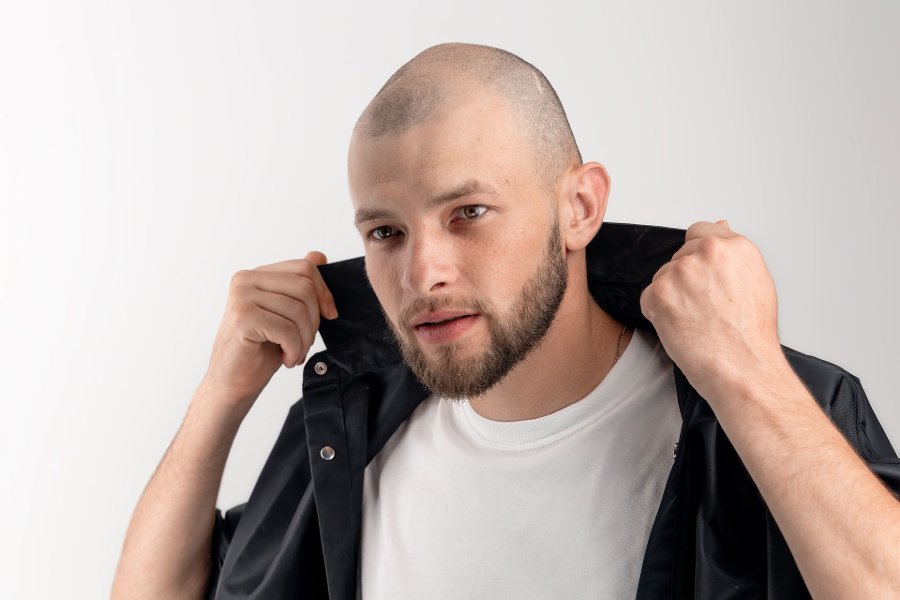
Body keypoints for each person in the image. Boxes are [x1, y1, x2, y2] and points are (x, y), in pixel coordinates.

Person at [111, 43, 900, 600]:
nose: (425, 273)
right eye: (385, 232)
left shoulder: (769, 411)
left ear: (580, 207)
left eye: (469, 212)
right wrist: (220, 393)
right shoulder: (342, 428)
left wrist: (748, 372)